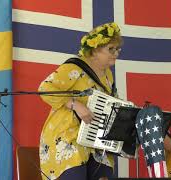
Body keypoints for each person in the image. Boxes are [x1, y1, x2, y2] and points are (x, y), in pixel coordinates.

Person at [38, 22, 122, 180]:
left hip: (95, 141)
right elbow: (45, 88)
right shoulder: (74, 67)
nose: (116, 53)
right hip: (67, 137)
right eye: (111, 49)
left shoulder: (108, 75)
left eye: (117, 49)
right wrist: (75, 105)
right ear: (95, 50)